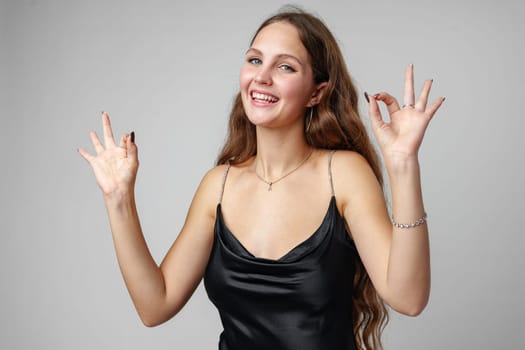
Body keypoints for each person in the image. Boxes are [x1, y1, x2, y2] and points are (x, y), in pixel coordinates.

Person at [78, 6, 444, 350]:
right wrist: (118, 198)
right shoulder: (217, 185)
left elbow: (408, 298)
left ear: (317, 92)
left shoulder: (343, 173)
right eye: (255, 60)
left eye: (285, 67)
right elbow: (154, 306)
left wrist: (403, 163)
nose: (261, 77)